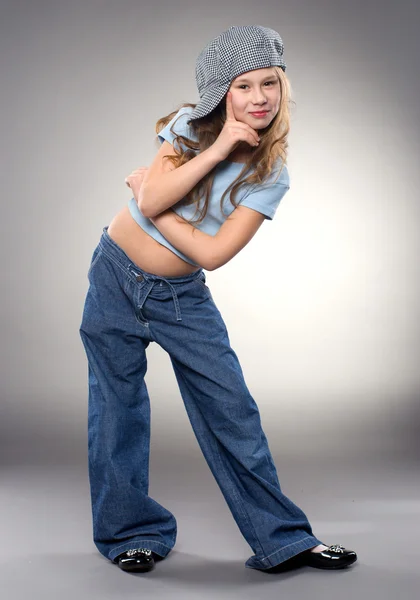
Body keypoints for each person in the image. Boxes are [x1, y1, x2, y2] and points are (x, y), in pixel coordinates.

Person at [79, 25, 358, 574]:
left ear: (283, 87)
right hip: (113, 275)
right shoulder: (188, 127)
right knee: (116, 410)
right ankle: (130, 533)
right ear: (220, 93)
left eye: (269, 84)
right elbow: (162, 194)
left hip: (180, 297)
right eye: (243, 86)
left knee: (232, 410)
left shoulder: (271, 173)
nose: (259, 98)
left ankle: (284, 540)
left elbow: (212, 253)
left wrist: (148, 200)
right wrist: (220, 147)